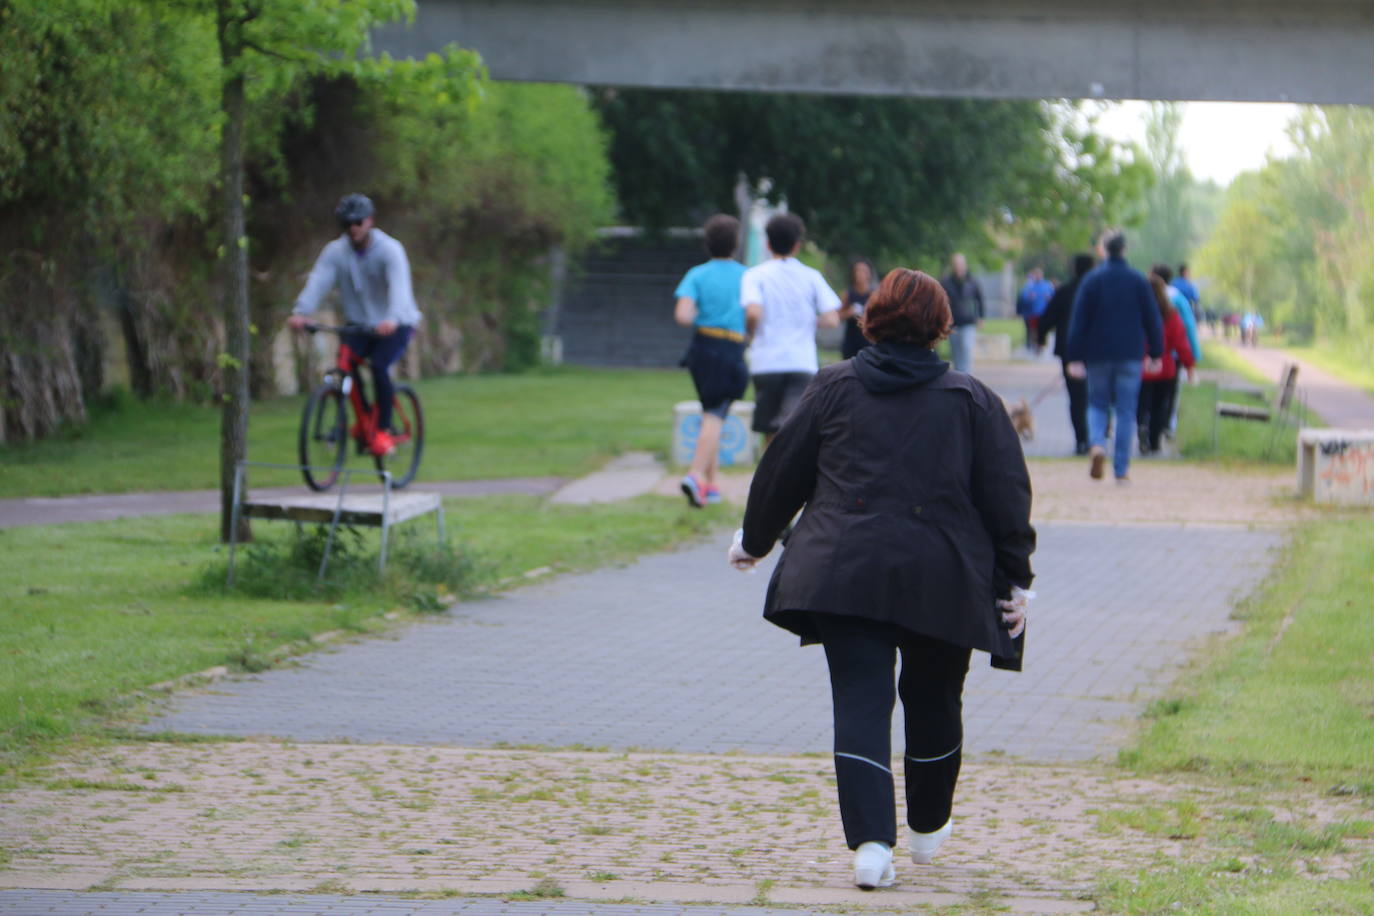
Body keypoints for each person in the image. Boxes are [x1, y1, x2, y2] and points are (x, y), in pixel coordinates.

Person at [727, 268, 1035, 891]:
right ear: (941, 326)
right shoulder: (973, 400)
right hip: (944, 578)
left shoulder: (832, 388)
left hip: (847, 573)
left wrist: (753, 541)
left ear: (872, 319)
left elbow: (782, 470)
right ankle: (926, 823)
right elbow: (1008, 498)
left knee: (861, 700)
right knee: (935, 696)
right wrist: (1016, 582)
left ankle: (871, 846)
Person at [289, 193, 420, 457]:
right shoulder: (336, 252)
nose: (353, 228)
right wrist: (301, 312)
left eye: (358, 222)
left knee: (379, 366)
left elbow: (400, 288)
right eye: (346, 224)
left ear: (370, 221)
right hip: (359, 325)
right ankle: (363, 421)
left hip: (396, 323)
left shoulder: (390, 250)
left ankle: (383, 429)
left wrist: (392, 319)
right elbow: (319, 280)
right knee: (345, 364)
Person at [1065, 230, 1163, 483]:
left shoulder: (1092, 280)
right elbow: (1152, 318)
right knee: (1126, 411)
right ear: (1124, 250)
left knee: (1097, 403)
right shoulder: (1138, 281)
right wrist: (1156, 352)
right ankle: (1121, 469)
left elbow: (1078, 321)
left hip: (1097, 354)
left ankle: (1097, 444)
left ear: (1102, 250)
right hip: (1130, 354)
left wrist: (1074, 357)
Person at [741, 214, 841, 445]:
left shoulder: (755, 275)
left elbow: (754, 312)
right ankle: (791, 478)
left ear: (768, 244)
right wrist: (810, 321)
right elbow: (832, 318)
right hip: (801, 361)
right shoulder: (811, 276)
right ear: (797, 245)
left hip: (767, 361)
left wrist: (751, 333)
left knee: (770, 428)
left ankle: (769, 478)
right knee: (794, 428)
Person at [674, 214, 749, 508]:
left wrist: (701, 315)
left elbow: (682, 315)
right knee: (716, 414)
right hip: (730, 347)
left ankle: (710, 485)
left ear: (707, 243)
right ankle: (694, 475)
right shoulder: (747, 276)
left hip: (701, 347)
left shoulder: (696, 274)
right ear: (736, 243)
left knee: (711, 412)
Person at [1036, 253, 1095, 454]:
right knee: (1097, 396)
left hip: (1069, 351)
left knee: (1076, 397)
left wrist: (1041, 338)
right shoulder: (1097, 290)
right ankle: (1097, 439)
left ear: (1074, 269)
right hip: (1095, 351)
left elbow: (1047, 318)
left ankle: (1081, 440)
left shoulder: (1064, 291)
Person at [1137, 274, 1195, 455]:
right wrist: (1189, 364)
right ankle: (1154, 441)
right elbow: (1181, 342)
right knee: (1160, 405)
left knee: (1142, 402)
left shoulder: (1137, 312)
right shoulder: (1170, 314)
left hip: (1140, 366)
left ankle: (1142, 426)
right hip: (1165, 366)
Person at [1151, 264, 1201, 439]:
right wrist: (1193, 356)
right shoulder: (1177, 298)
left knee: (1145, 393)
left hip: (1144, 356)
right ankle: (1165, 425)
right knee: (1168, 392)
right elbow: (1188, 326)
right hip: (1171, 356)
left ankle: (1146, 424)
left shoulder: (1144, 295)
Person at [940, 253, 984, 374]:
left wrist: (981, 317)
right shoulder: (946, 282)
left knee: (966, 348)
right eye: (956, 264)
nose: (959, 267)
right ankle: (959, 376)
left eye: (960, 264)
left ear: (965, 265)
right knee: (956, 353)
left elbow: (980, 300)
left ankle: (966, 376)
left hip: (968, 322)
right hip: (952, 323)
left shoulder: (973, 282)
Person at [838, 259, 878, 360]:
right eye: (857, 270)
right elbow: (837, 316)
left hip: (868, 342)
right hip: (850, 341)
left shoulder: (875, 295)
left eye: (863, 271)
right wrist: (849, 312)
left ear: (869, 274)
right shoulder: (848, 294)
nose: (860, 274)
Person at [1015, 267, 1054, 353]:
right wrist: (1029, 298)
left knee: (1043, 329)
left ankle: (1041, 344)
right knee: (1033, 330)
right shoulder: (1030, 286)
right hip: (1032, 313)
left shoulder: (1047, 285)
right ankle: (1034, 344)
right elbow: (1023, 298)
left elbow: (1053, 297)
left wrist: (1049, 298)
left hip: (1044, 313)